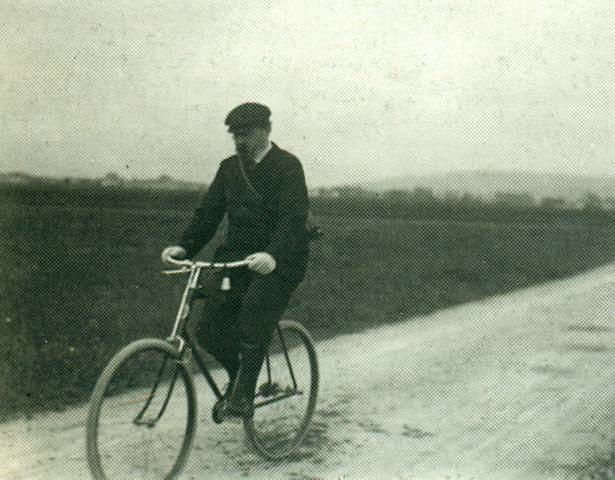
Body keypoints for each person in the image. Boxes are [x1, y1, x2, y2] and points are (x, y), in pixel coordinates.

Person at [161, 102, 310, 417]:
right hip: (237, 258)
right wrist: (185, 248)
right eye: (235, 136)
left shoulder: (288, 166)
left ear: (265, 131)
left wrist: (273, 255)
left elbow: (293, 220)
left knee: (254, 312)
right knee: (208, 329)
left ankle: (242, 399)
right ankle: (241, 376)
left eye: (245, 134)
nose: (239, 141)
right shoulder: (229, 168)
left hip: (280, 260)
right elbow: (209, 214)